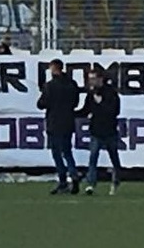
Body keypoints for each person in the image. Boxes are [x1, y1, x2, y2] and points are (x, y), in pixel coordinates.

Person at [75, 67, 123, 195]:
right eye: (90, 79)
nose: (91, 81)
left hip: (109, 130)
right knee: (93, 158)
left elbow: (115, 111)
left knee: (114, 158)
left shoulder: (111, 93)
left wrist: (101, 103)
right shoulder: (91, 94)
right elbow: (86, 110)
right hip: (96, 131)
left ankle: (116, 181)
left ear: (101, 79)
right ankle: (91, 183)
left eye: (93, 79)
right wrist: (71, 114)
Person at [37, 59, 81, 195]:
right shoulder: (72, 84)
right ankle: (73, 174)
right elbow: (75, 103)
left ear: (54, 69)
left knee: (57, 154)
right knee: (67, 152)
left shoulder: (50, 86)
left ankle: (63, 181)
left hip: (54, 122)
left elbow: (41, 104)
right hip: (68, 122)